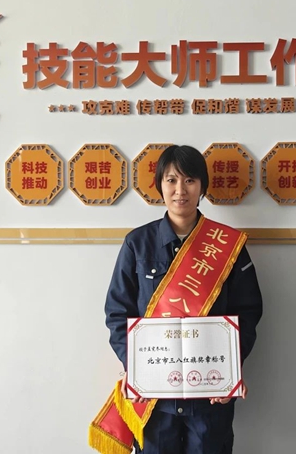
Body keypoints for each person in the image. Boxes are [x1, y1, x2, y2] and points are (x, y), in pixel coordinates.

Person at [104, 145, 263, 454]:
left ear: (202, 186)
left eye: (190, 180)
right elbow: (117, 312)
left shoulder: (228, 245)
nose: (180, 190)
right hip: (154, 396)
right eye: (171, 180)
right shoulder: (137, 243)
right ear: (160, 185)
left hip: (209, 396)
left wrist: (230, 370)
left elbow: (248, 312)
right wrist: (134, 366)